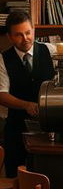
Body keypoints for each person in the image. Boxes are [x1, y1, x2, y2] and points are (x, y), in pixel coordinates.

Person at [0, 10, 54, 176]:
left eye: (28, 33)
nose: (25, 39)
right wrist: (26, 105)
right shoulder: (2, 59)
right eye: (18, 35)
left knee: (47, 173)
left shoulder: (50, 51)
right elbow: (1, 94)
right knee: (16, 176)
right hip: (16, 129)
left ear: (34, 30)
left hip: (49, 127)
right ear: (9, 36)